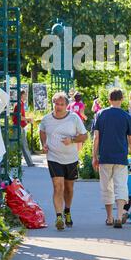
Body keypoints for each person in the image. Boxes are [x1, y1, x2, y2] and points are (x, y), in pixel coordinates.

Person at [39, 91, 88, 231]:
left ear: (67, 105)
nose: (58, 107)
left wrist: (72, 140)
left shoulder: (73, 118)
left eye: (62, 104)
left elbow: (84, 136)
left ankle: (67, 211)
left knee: (69, 188)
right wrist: (44, 144)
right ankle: (59, 216)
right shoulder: (46, 119)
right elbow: (42, 131)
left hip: (71, 158)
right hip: (54, 157)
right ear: (53, 104)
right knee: (57, 186)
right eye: (56, 104)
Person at [92, 88, 131, 229]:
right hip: (121, 157)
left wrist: (94, 156)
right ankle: (119, 217)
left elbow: (96, 137)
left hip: (105, 156)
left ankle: (109, 217)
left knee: (106, 187)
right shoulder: (127, 117)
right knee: (121, 186)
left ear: (109, 100)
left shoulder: (100, 114)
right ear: (122, 99)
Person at [13, 90, 34, 167]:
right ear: (21, 95)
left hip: (19, 126)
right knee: (23, 145)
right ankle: (29, 162)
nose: (26, 96)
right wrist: (28, 119)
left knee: (18, 145)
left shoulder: (20, 104)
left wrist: (26, 120)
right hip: (18, 127)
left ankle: (15, 161)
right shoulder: (19, 104)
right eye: (25, 94)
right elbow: (19, 117)